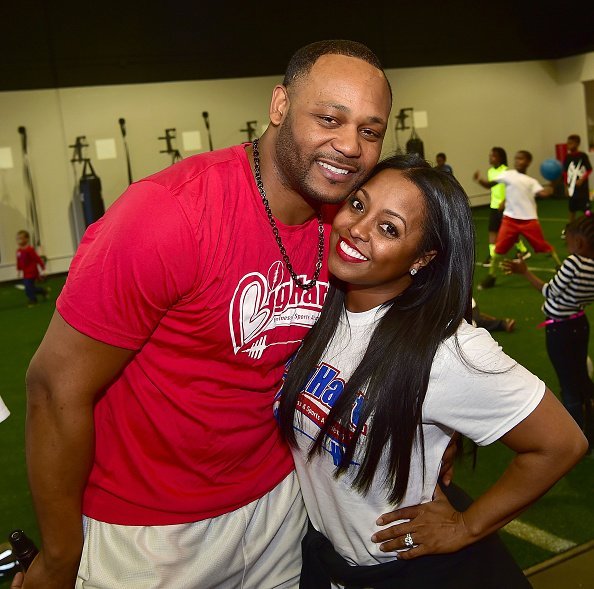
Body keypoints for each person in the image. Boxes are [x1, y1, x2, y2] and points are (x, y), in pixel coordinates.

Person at [17, 40, 456, 589]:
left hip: (282, 509)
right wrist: (58, 557)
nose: (349, 146)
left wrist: (435, 441)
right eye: (328, 118)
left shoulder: (351, 227)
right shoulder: (170, 215)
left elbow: (399, 326)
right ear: (278, 106)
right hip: (150, 534)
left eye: (369, 130)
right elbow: (54, 389)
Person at [277, 154, 587, 588]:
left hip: (406, 572)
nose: (357, 229)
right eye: (359, 205)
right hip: (332, 563)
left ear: (422, 259)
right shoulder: (318, 306)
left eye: (389, 229)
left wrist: (467, 527)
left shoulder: (447, 350)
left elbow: (560, 443)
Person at [503, 214, 594, 449]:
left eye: (570, 241)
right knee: (581, 377)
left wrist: (524, 271)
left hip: (560, 329)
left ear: (581, 244)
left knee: (568, 382)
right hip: (580, 323)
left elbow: (549, 291)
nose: (567, 245)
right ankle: (590, 429)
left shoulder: (574, 262)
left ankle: (578, 439)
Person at [476, 150, 561, 290]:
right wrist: (479, 179)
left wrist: (553, 184)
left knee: (543, 247)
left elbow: (544, 193)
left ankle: (559, 267)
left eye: (521, 158)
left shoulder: (531, 181)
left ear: (528, 162)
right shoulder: (508, 175)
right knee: (498, 250)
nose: (517, 161)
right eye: (516, 158)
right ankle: (491, 277)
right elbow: (489, 185)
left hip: (529, 220)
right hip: (510, 220)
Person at [473, 147, 528, 267]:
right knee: (492, 231)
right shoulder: (490, 171)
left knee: (509, 232)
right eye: (490, 155)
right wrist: (479, 180)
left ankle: (523, 250)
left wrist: (505, 201)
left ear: (500, 158)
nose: (490, 158)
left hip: (506, 206)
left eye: (493, 156)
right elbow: (490, 186)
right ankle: (493, 256)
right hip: (494, 206)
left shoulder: (506, 171)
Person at [563, 134, 592, 223]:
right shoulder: (567, 157)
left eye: (571, 143)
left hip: (582, 189)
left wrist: (582, 179)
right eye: (568, 143)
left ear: (577, 144)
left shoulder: (582, 155)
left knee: (586, 210)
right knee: (572, 209)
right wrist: (566, 187)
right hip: (572, 188)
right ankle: (570, 229)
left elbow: (589, 169)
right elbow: (565, 173)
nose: (568, 145)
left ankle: (590, 226)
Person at [15, 230, 48, 307]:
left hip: (32, 272)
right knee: (30, 288)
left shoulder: (30, 250)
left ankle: (33, 299)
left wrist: (43, 268)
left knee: (28, 287)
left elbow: (37, 259)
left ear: (27, 239)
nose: (19, 240)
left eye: (21, 238)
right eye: (18, 238)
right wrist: (18, 270)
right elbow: (19, 261)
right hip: (25, 273)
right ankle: (43, 291)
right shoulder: (19, 251)